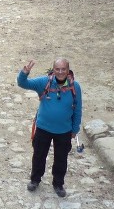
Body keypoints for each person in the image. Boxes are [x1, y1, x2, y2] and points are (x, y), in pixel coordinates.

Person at [17, 58, 83, 198]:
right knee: (39, 155)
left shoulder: (75, 87)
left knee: (61, 158)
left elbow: (77, 109)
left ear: (68, 70)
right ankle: (35, 180)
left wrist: (75, 129)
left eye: (63, 69)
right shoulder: (44, 82)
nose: (60, 72)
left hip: (64, 130)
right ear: (53, 70)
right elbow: (22, 83)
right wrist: (24, 73)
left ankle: (58, 184)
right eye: (57, 69)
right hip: (43, 128)